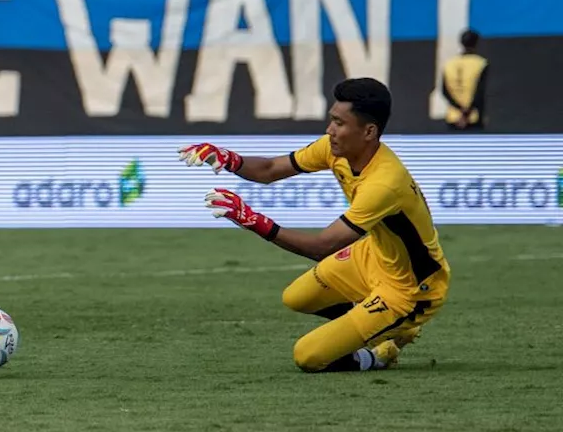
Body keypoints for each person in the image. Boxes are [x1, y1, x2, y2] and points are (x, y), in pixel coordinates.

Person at [178, 78, 450, 373]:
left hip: (411, 288)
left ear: (369, 131)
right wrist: (228, 159)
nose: (329, 130)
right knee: (297, 297)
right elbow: (270, 169)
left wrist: (253, 221)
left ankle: (381, 352)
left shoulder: (385, 183)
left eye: (338, 123)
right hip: (372, 256)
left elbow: (324, 247)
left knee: (308, 356)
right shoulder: (333, 150)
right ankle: (388, 327)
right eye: (331, 120)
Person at [441, 29, 488, 130]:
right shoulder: (481, 63)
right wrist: (466, 113)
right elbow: (480, 91)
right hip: (473, 118)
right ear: (476, 43)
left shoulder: (449, 64)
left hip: (453, 117)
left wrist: (459, 110)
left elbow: (445, 91)